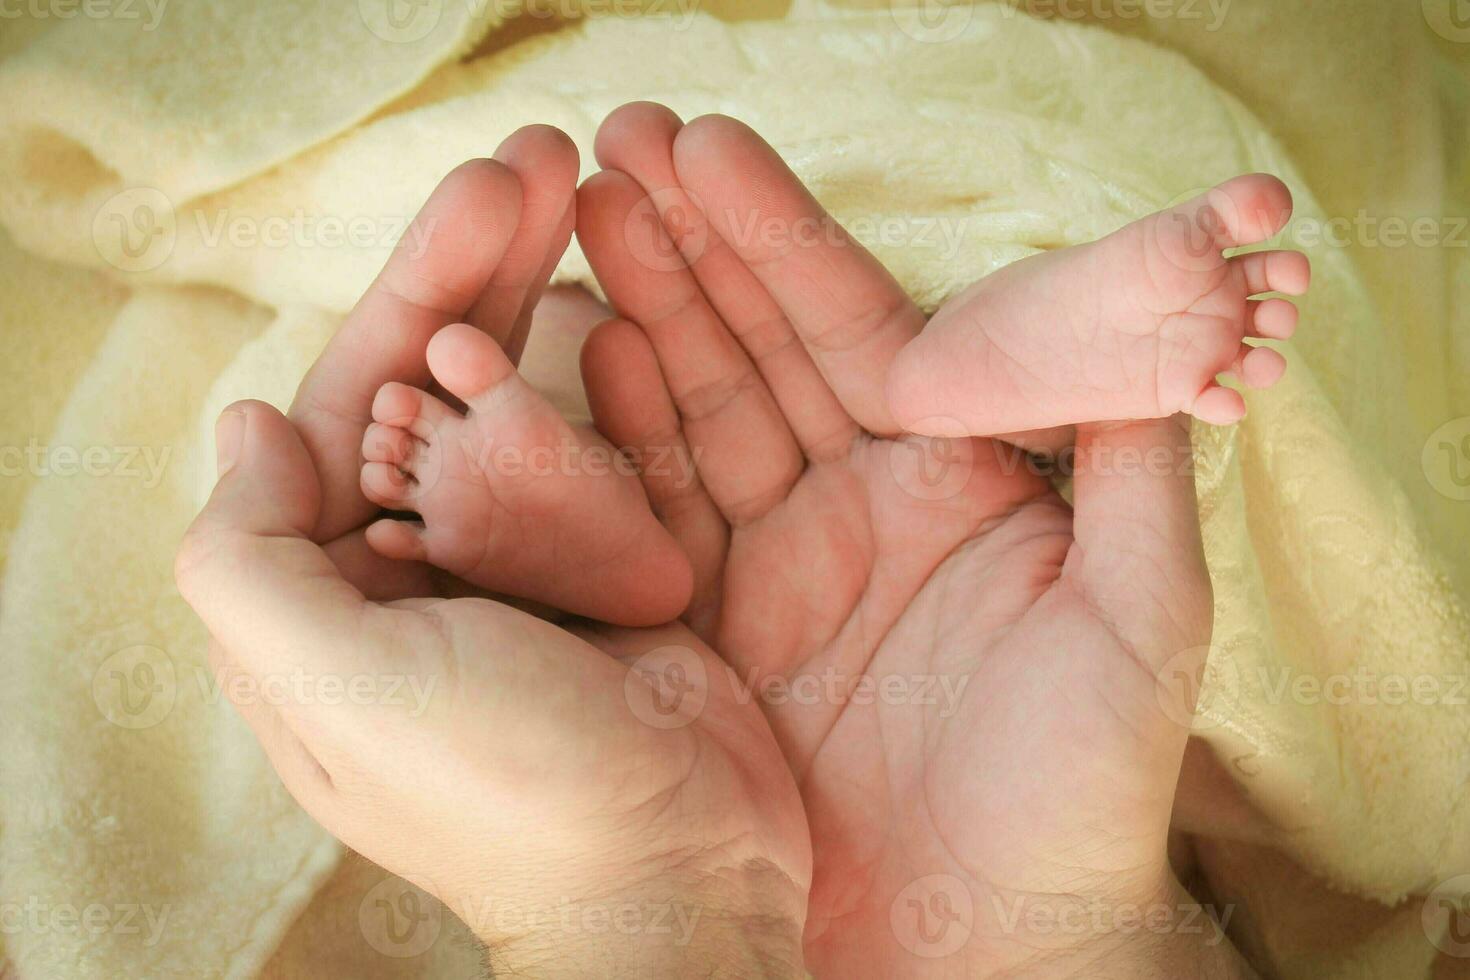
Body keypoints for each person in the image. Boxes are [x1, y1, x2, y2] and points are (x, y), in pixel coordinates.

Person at [176, 105, 1274, 977]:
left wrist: (632, 908)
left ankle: (992, 355)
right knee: (958, 390)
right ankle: (1004, 361)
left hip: (897, 478)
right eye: (584, 454)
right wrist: (1062, 936)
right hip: (952, 514)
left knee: (894, 359)